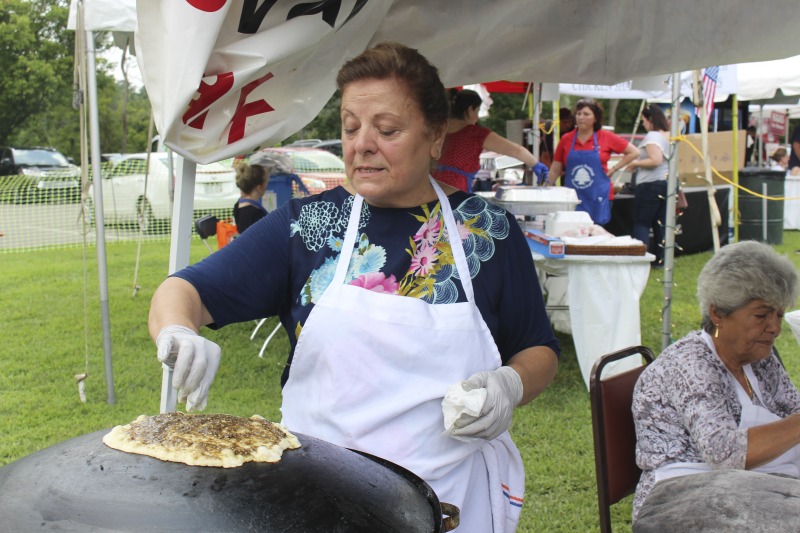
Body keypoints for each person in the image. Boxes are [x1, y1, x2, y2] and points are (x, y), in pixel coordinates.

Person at [149, 41, 559, 532]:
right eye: (349, 127)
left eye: (386, 130)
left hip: (447, 500)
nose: (362, 143)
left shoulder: (486, 230)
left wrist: (509, 386)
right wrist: (178, 331)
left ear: (434, 138)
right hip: (317, 496)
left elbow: (537, 347)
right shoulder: (307, 225)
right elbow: (183, 290)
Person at [631, 240, 800, 523]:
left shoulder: (760, 356)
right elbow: (725, 455)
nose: (775, 328)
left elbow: (793, 411)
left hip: (751, 489)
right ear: (718, 313)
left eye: (779, 315)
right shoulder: (689, 364)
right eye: (761, 315)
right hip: (680, 501)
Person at [433, 89, 548, 192]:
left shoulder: (436, 129)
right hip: (455, 194)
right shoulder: (475, 134)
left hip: (428, 190)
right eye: (477, 111)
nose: (477, 117)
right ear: (470, 110)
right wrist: (535, 163)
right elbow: (516, 150)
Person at [546, 99, 639, 225]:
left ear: (596, 118)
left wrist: (614, 169)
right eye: (578, 114)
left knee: (596, 237)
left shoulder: (606, 136)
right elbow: (555, 169)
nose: (581, 117)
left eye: (586, 114)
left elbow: (634, 152)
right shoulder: (566, 139)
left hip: (598, 198)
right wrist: (545, 189)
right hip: (573, 198)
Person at [624, 104, 670, 267]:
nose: (643, 123)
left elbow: (655, 160)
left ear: (650, 119)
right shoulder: (667, 135)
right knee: (660, 224)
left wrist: (636, 163)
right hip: (666, 183)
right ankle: (660, 259)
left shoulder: (653, 136)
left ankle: (640, 258)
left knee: (641, 223)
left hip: (650, 184)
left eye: (644, 120)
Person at [232, 162, 269, 233]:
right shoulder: (256, 213)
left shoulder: (238, 206)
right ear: (258, 188)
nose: (266, 187)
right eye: (266, 183)